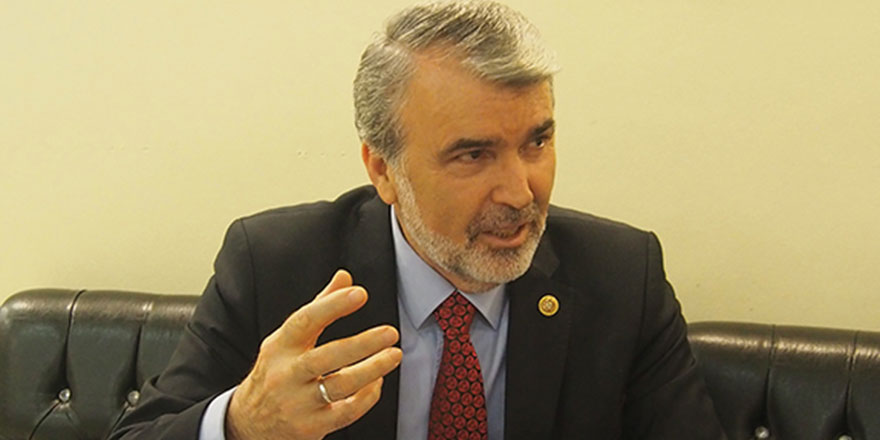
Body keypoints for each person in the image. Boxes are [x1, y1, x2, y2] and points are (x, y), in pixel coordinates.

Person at [111, 1, 726, 439]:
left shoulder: (621, 277)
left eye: (537, 142)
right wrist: (243, 424)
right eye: (473, 155)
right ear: (383, 170)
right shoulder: (276, 264)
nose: (520, 192)